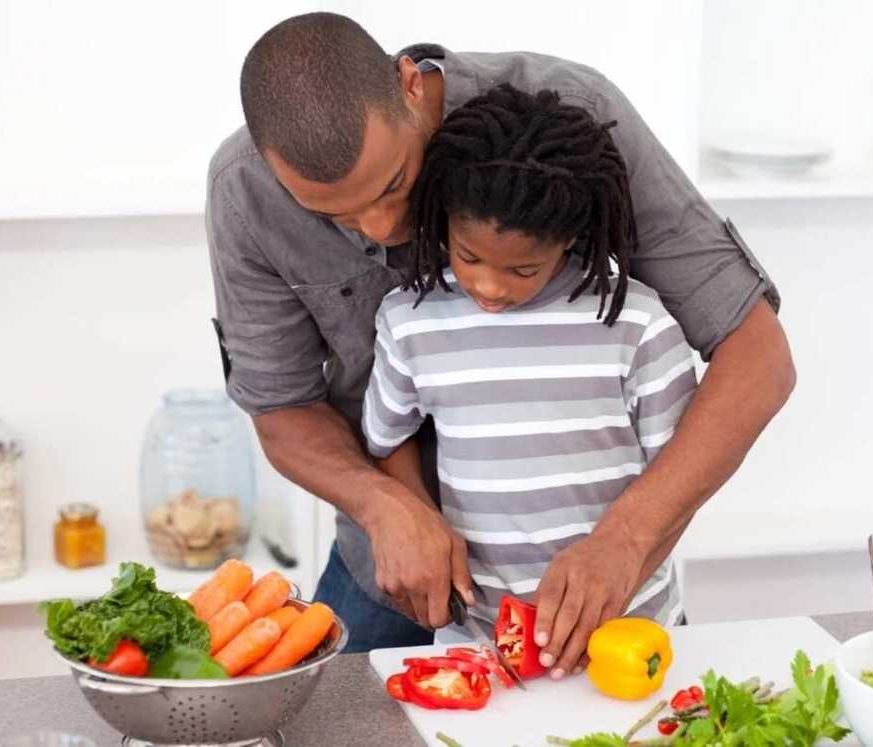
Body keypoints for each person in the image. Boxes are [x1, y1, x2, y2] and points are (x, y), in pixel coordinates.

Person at [206, 13, 793, 676]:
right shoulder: (244, 191)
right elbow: (282, 410)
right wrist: (385, 504)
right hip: (387, 564)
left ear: (408, 84)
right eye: (334, 215)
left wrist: (625, 541)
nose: (384, 225)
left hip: (599, 584)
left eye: (395, 183)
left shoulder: (575, 116)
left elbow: (759, 356)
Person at [363, 84, 695, 651]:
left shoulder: (636, 325)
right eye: (468, 257)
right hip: (478, 641)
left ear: (569, 239)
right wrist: (420, 519)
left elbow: (680, 483)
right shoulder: (411, 322)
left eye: (523, 269)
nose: (490, 287)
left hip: (629, 633)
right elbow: (386, 439)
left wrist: (620, 567)